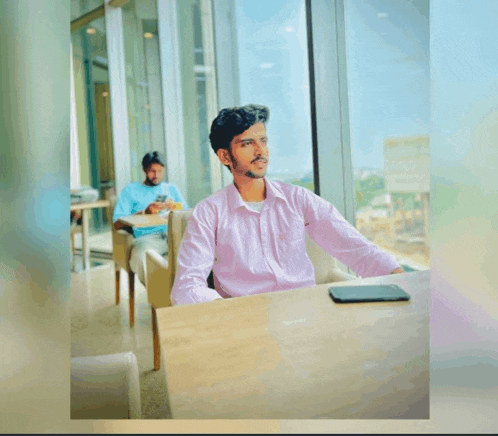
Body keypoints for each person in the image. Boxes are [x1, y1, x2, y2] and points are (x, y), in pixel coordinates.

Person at [171, 104, 403, 306]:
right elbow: (186, 287)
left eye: (263, 141)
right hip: (247, 319)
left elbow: (355, 247)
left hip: (306, 312)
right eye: (247, 143)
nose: (260, 151)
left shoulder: (298, 199)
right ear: (224, 156)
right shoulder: (208, 213)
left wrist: (398, 276)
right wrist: (229, 313)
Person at [113, 151, 189, 284]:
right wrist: (144, 213)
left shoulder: (171, 189)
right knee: (140, 258)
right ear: (144, 170)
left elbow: (187, 213)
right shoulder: (130, 191)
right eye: (152, 171)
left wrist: (174, 207)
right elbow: (117, 224)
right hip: (147, 239)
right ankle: (159, 297)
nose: (156, 176)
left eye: (160, 171)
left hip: (174, 235)